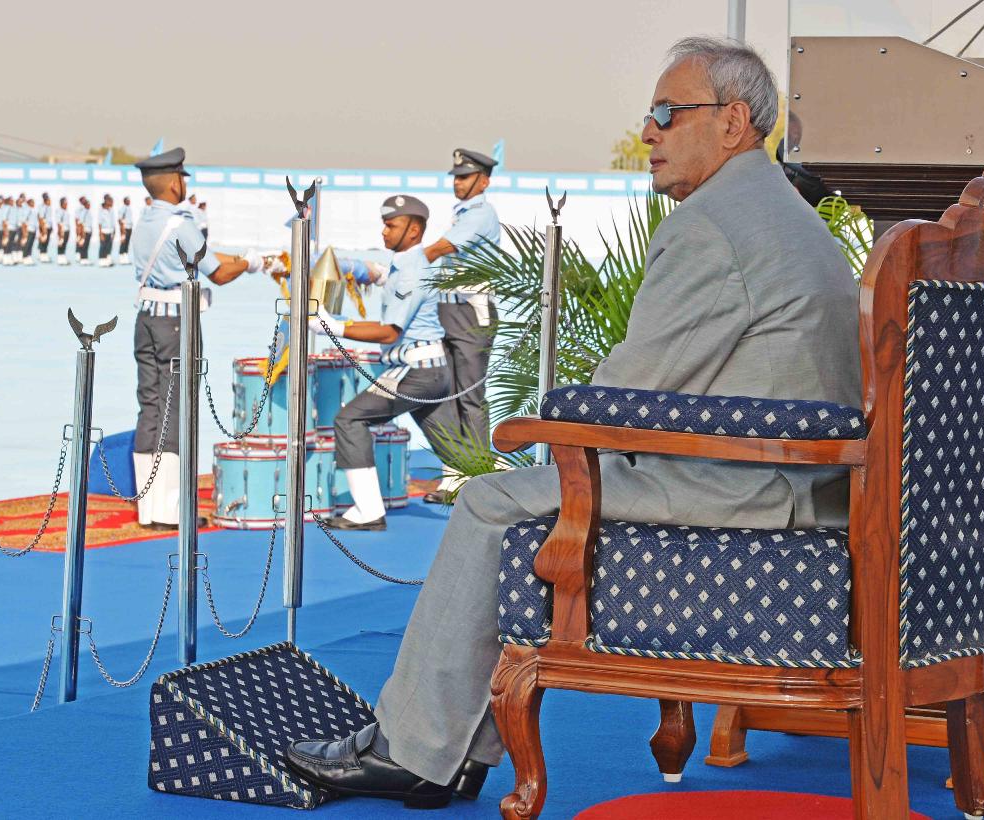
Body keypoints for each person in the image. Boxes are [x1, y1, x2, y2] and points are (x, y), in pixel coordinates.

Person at [282, 36, 861, 809]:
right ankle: (453, 749)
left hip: (741, 489)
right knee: (519, 493)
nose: (648, 131)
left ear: (733, 122)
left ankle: (413, 750)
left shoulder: (714, 225)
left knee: (489, 500)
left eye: (667, 113)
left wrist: (546, 419)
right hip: (797, 482)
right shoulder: (787, 214)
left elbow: (628, 391)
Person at [129, 146, 263, 528]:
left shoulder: (145, 221)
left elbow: (206, 257)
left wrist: (244, 259)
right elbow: (217, 272)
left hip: (146, 319)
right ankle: (171, 510)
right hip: (176, 324)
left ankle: (148, 508)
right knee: (176, 409)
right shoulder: (180, 223)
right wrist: (250, 263)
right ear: (174, 183)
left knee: (150, 407)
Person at [313, 195, 457, 531]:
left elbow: (390, 331)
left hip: (416, 373)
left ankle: (368, 511)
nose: (384, 231)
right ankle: (494, 493)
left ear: (414, 230)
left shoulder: (411, 272)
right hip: (431, 370)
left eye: (391, 225)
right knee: (456, 451)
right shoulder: (405, 266)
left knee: (349, 420)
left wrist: (333, 326)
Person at [419, 148, 502, 504]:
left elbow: (440, 249)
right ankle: (456, 474)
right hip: (449, 309)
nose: (458, 182)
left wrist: (405, 264)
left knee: (469, 397)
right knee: (449, 394)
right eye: (455, 177)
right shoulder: (462, 214)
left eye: (465, 177)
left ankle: (477, 475)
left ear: (484, 181)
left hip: (470, 312)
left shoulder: (481, 214)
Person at [96, 194, 116, 267]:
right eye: (110, 201)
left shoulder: (111, 210)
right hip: (104, 231)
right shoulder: (101, 210)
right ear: (106, 201)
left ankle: (107, 260)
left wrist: (114, 231)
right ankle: (101, 260)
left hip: (110, 231)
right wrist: (100, 233)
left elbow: (113, 221)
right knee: (103, 246)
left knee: (109, 246)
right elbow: (99, 222)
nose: (111, 202)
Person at [75, 196, 92, 265]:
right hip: (84, 230)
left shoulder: (88, 211)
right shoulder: (83, 211)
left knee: (86, 245)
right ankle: (82, 258)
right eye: (88, 204)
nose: (89, 205)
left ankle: (85, 258)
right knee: (83, 245)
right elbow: (80, 223)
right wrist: (81, 232)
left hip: (88, 230)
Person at [36, 193, 53, 262]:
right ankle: (43, 255)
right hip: (44, 227)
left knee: (46, 241)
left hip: (48, 226)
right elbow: (41, 218)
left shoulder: (48, 207)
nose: (50, 201)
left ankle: (43, 254)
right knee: (44, 241)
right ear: (45, 200)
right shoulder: (43, 207)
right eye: (48, 200)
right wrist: (43, 229)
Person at [55, 196, 71, 265]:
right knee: (61, 244)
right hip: (62, 230)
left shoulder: (65, 211)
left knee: (64, 244)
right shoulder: (59, 211)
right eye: (65, 203)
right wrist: (60, 233)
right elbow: (59, 223)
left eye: (67, 203)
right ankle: (60, 258)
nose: (66, 205)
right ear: (61, 204)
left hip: (67, 229)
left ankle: (63, 258)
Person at [117, 195, 133, 264]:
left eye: (129, 200)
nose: (129, 201)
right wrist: (122, 230)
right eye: (127, 200)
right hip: (124, 228)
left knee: (127, 243)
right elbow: (120, 219)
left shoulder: (129, 208)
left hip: (129, 227)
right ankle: (121, 257)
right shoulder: (123, 208)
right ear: (124, 201)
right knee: (123, 242)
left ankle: (125, 256)